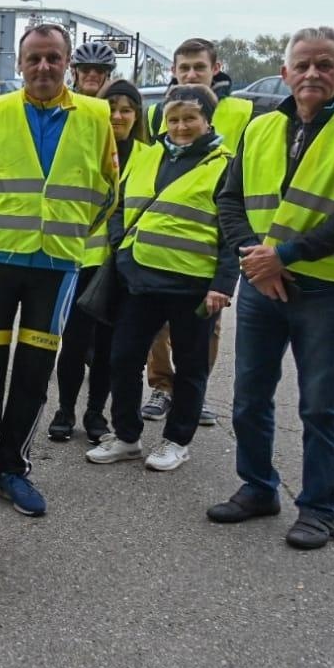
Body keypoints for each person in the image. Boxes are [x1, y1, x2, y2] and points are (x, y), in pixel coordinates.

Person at [208, 26, 334, 549]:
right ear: (286, 72)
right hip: (261, 284)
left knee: (318, 403)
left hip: (326, 289)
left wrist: (282, 257)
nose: (312, 73)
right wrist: (254, 255)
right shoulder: (260, 128)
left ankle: (317, 508)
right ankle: (258, 486)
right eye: (303, 65)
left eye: (324, 64)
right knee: (249, 397)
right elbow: (230, 199)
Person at [0, 23, 117, 518]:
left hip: (57, 264)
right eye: (35, 58)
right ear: (20, 64)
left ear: (67, 62)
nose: (44, 67)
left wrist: (70, 235)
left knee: (33, 371)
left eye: (53, 58)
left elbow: (108, 187)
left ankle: (15, 468)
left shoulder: (95, 115)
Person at [87, 85, 236, 471]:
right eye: (173, 119)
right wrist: (120, 247)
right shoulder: (149, 155)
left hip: (194, 285)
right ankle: (127, 436)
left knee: (190, 366)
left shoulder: (225, 164)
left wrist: (223, 283)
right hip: (140, 280)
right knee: (122, 359)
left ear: (207, 120)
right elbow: (120, 206)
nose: (181, 126)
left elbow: (235, 232)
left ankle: (176, 440)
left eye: (190, 118)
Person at [141, 37, 256, 427]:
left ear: (215, 68)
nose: (191, 75)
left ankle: (194, 390)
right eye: (184, 68)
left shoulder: (241, 111)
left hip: (213, 227)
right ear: (173, 71)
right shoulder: (159, 113)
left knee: (207, 323)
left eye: (199, 68)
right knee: (156, 323)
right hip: (164, 231)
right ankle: (161, 386)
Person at [48, 77, 149, 443]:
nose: (118, 117)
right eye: (111, 109)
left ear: (138, 115)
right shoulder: (86, 149)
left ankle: (95, 413)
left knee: (108, 346)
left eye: (126, 110)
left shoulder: (149, 157)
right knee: (74, 341)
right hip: (83, 257)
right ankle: (65, 410)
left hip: (124, 264)